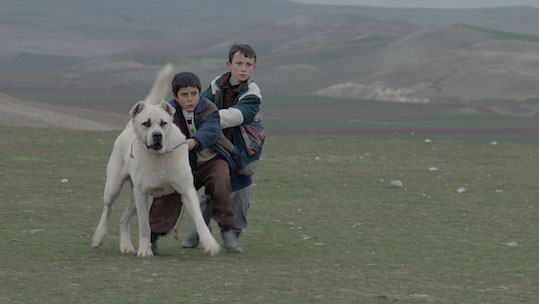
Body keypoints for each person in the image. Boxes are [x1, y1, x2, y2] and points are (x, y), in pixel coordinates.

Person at [148, 71, 252, 254]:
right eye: (184, 95)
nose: (190, 99)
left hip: (212, 160)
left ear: (199, 93)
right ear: (175, 96)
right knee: (167, 194)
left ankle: (228, 232)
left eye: (194, 94)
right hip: (181, 164)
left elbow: (211, 130)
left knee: (221, 182)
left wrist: (194, 141)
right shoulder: (166, 112)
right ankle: (152, 238)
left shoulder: (209, 108)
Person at [180, 43, 265, 253]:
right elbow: (200, 104)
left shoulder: (253, 93)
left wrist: (206, 120)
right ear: (229, 64)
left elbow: (237, 116)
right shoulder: (216, 84)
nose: (243, 68)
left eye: (248, 64)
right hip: (219, 148)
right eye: (239, 63)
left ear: (254, 68)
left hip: (246, 149)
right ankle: (201, 231)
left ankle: (234, 234)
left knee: (240, 193)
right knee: (211, 190)